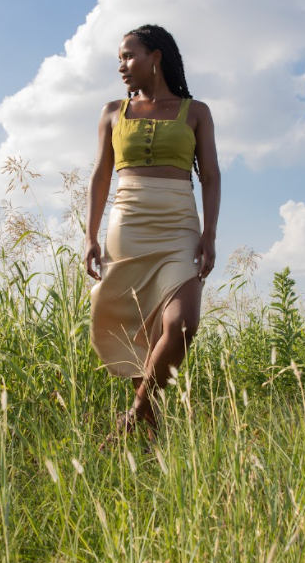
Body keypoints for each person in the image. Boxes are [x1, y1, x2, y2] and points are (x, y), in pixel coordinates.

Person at [84, 24, 221, 442]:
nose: (122, 66)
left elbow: (211, 177)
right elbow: (100, 176)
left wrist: (209, 234)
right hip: (128, 224)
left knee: (181, 324)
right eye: (119, 59)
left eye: (129, 56)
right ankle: (147, 432)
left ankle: (136, 412)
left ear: (155, 56)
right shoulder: (112, 112)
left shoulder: (195, 111)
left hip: (179, 224)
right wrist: (90, 236)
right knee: (135, 327)